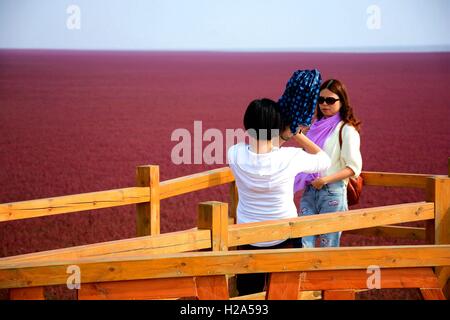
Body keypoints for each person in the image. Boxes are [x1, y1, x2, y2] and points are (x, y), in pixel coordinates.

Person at [227, 98, 330, 296]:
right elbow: (324, 160)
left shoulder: (234, 154)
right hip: (285, 234)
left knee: (248, 295)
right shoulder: (290, 157)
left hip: (249, 236)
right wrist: (296, 134)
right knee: (286, 292)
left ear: (247, 126)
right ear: (277, 128)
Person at [295, 79, 363, 248]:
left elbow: (353, 167)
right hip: (310, 191)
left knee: (328, 244)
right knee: (303, 242)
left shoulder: (346, 130)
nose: (324, 104)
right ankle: (304, 275)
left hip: (332, 192)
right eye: (321, 100)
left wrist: (324, 180)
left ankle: (324, 276)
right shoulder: (313, 127)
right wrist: (301, 135)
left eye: (330, 100)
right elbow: (307, 158)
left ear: (342, 102)